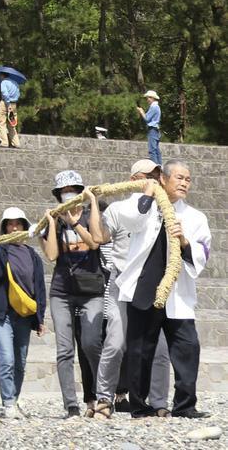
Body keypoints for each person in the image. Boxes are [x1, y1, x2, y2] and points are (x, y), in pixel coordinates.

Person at [114, 159, 211, 420]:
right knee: (140, 349)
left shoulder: (195, 217)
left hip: (178, 294)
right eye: (179, 177)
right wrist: (147, 193)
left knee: (187, 347)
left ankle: (185, 405)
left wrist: (185, 241)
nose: (184, 183)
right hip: (143, 287)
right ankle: (139, 405)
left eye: (188, 179)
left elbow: (203, 250)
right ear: (163, 180)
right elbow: (130, 221)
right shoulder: (142, 204)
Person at [94, 159, 170, 419]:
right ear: (134, 179)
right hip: (121, 283)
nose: (155, 180)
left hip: (150, 284)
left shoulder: (164, 209)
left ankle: (158, 401)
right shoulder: (118, 209)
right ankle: (104, 398)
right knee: (116, 343)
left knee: (159, 347)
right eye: (150, 175)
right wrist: (93, 203)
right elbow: (101, 237)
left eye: (158, 176)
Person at [40, 170, 105, 419]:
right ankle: (71, 404)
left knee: (91, 343)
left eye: (73, 190)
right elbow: (52, 255)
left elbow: (95, 242)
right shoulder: (55, 220)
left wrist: (77, 220)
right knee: (64, 349)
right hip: (62, 291)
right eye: (64, 192)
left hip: (91, 290)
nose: (68, 195)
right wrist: (53, 223)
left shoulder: (89, 215)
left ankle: (102, 396)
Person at [0, 207, 47, 420]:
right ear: (4, 228)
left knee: (20, 361)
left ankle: (13, 399)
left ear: (24, 226)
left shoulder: (33, 255)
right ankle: (8, 403)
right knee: (7, 359)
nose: (14, 228)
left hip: (24, 315)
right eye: (10, 224)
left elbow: (39, 287)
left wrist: (40, 318)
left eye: (18, 224)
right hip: (2, 314)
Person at [137, 90, 162, 166]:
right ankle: (159, 165)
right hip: (155, 129)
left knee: (152, 149)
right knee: (156, 149)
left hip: (152, 129)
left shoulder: (154, 107)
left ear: (153, 98)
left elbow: (147, 118)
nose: (147, 99)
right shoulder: (156, 106)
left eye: (149, 97)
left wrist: (141, 111)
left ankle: (155, 166)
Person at [0, 75, 20, 148]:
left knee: (1, 122)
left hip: (5, 103)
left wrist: (8, 103)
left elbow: (4, 93)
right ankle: (16, 143)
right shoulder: (15, 83)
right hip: (14, 104)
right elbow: (18, 94)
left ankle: (4, 142)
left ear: (2, 75)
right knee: (12, 124)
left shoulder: (4, 82)